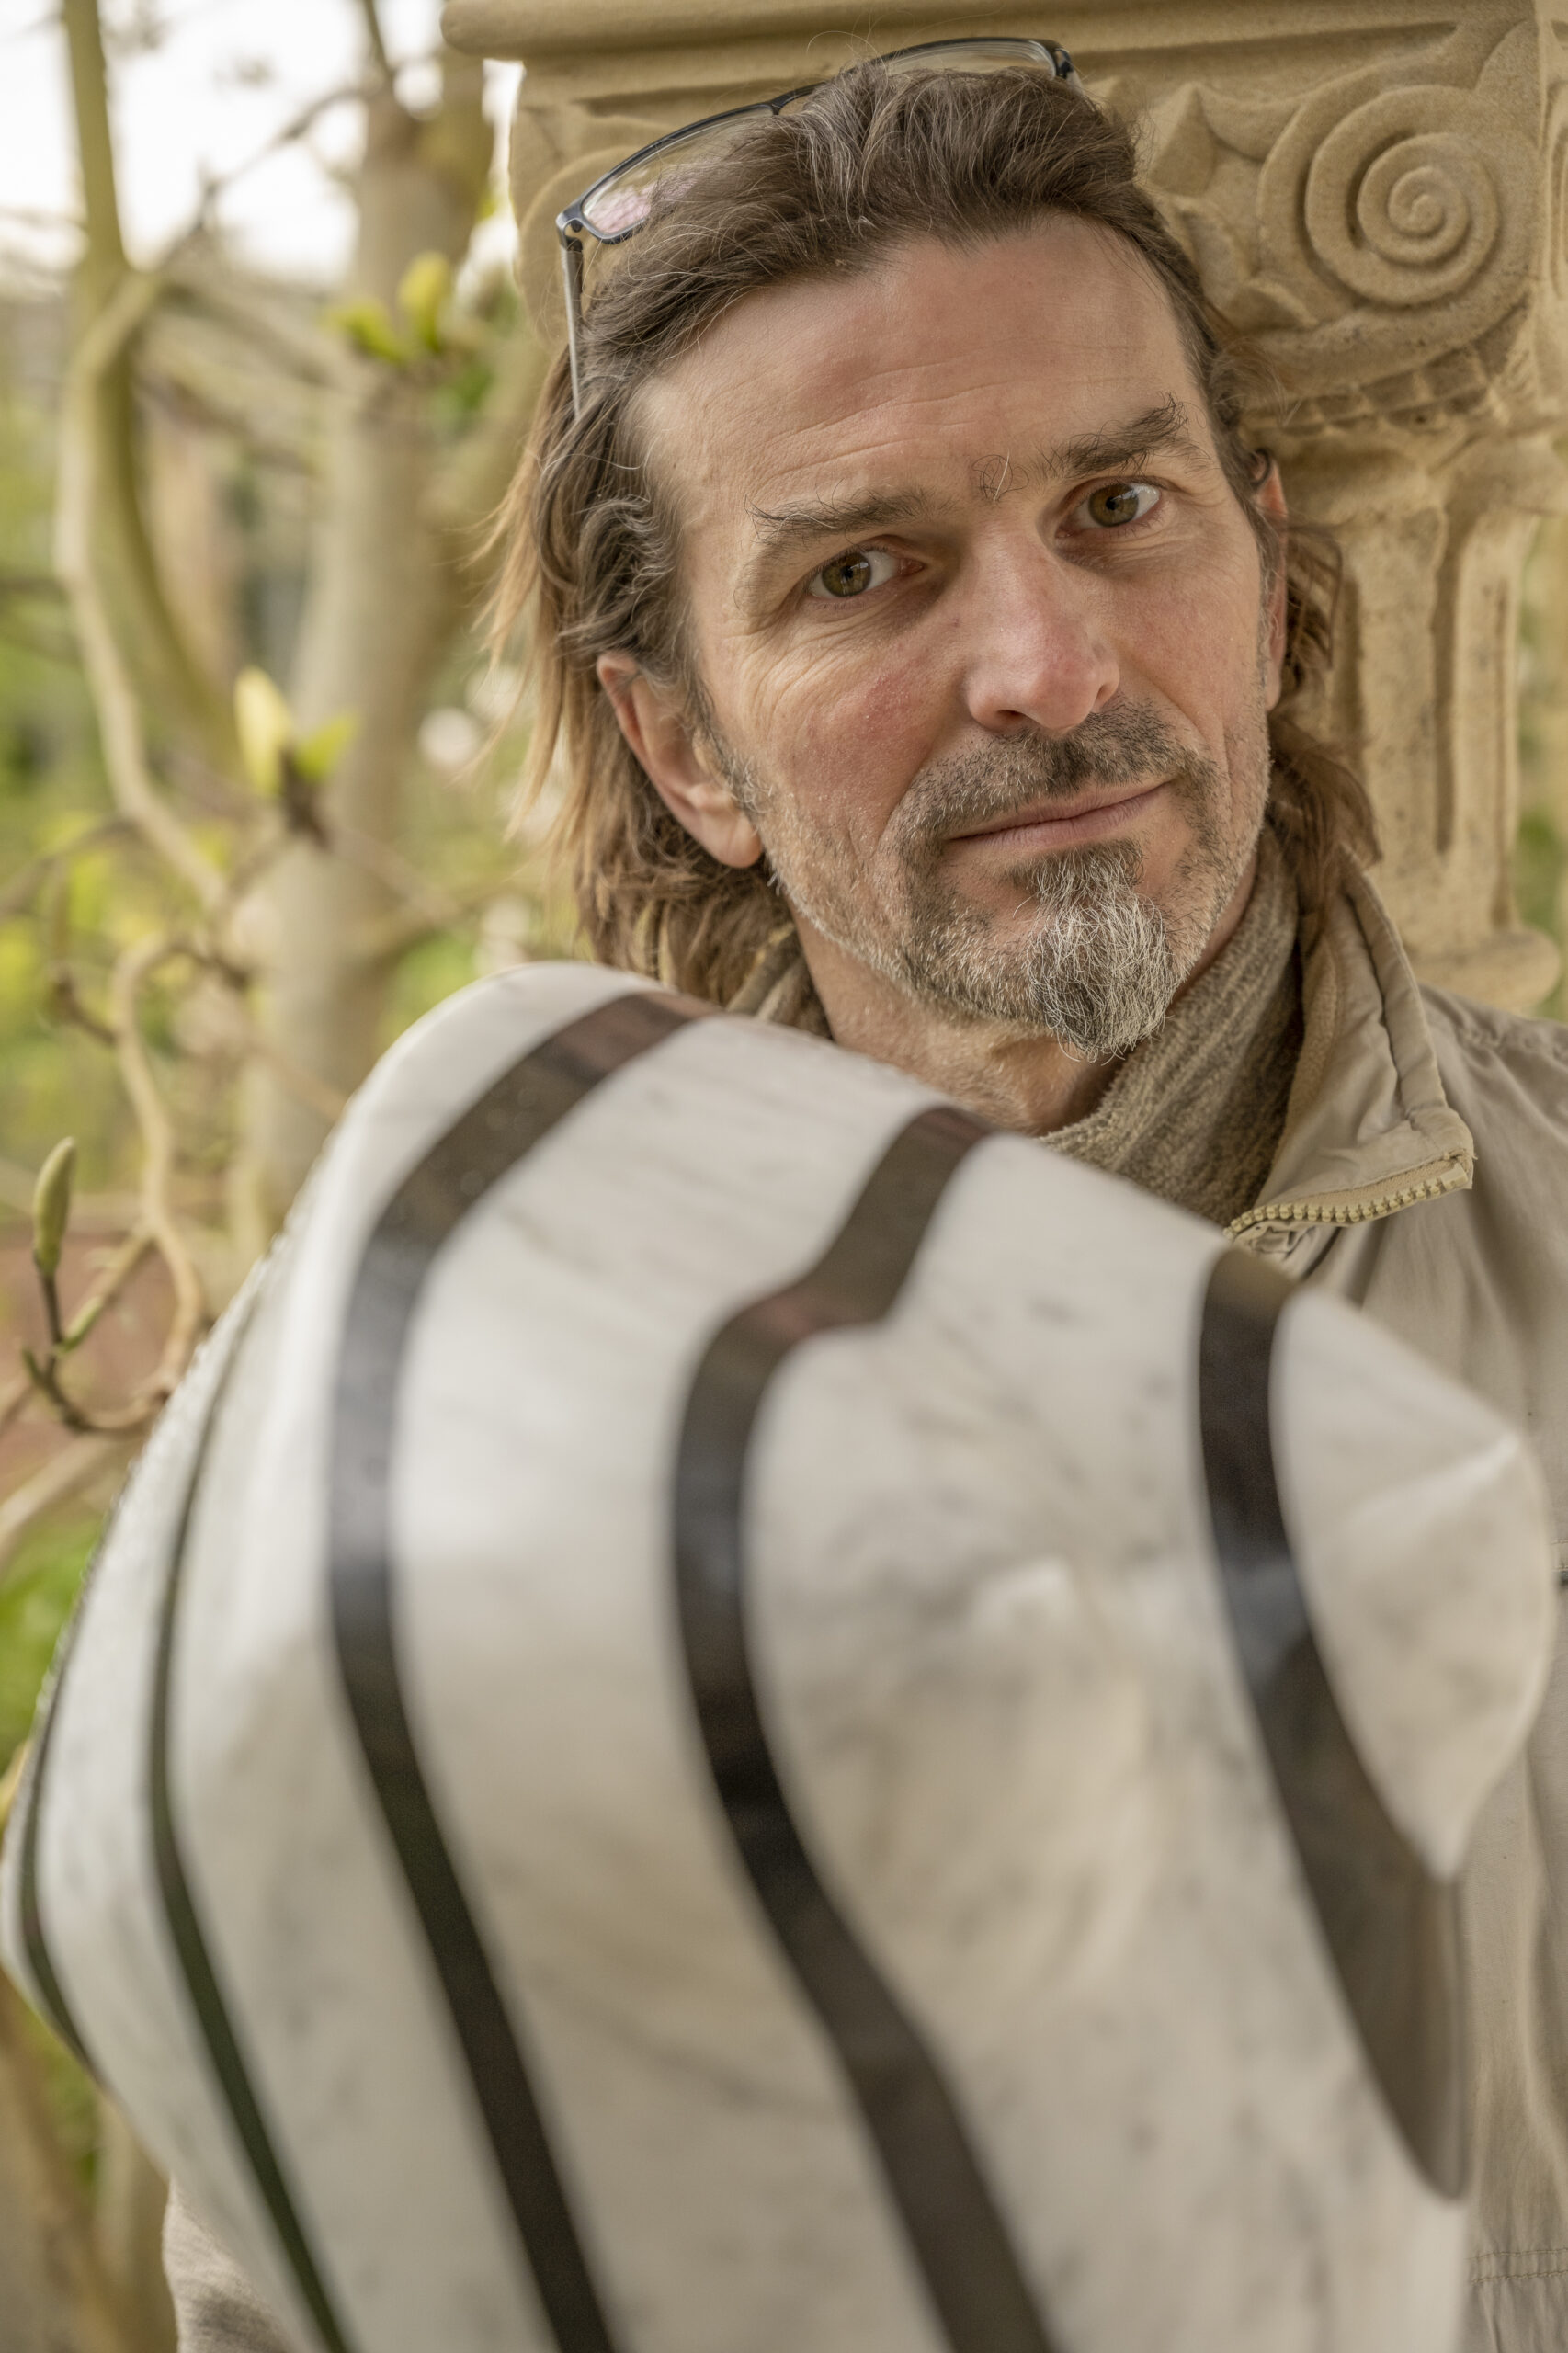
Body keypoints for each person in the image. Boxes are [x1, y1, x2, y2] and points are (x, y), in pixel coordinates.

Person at [165, 43, 1568, 2353]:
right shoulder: (428, 1422)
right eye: (864, 572)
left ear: (1268, 555)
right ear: (683, 744)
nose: (1043, 668)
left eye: (1119, 508)